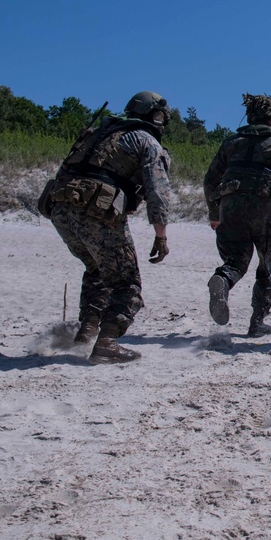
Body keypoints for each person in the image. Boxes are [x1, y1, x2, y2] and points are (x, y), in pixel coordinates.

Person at [42, 91, 173, 365]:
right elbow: (157, 192)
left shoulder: (98, 133)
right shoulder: (146, 141)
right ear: (156, 115)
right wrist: (161, 235)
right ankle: (107, 343)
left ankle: (86, 331)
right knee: (127, 283)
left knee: (97, 270)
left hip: (61, 210)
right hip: (96, 212)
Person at [203, 94, 271, 337]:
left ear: (249, 116)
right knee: (265, 265)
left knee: (236, 261)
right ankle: (257, 322)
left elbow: (210, 181)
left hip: (230, 207)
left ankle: (223, 280)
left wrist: (214, 213)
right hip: (264, 210)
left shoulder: (231, 142)